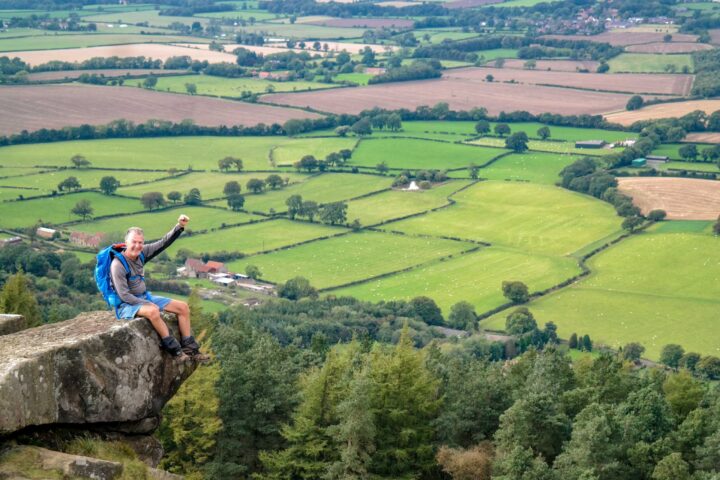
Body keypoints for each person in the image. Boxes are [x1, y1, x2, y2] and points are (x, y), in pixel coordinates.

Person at [111, 214, 208, 361]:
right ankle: (176, 351)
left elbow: (163, 243)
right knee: (153, 311)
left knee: (183, 307)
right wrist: (148, 303)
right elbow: (124, 295)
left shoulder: (142, 253)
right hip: (126, 304)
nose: (137, 246)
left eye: (140, 242)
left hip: (144, 297)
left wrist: (180, 227)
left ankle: (190, 348)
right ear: (126, 243)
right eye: (134, 242)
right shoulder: (118, 265)